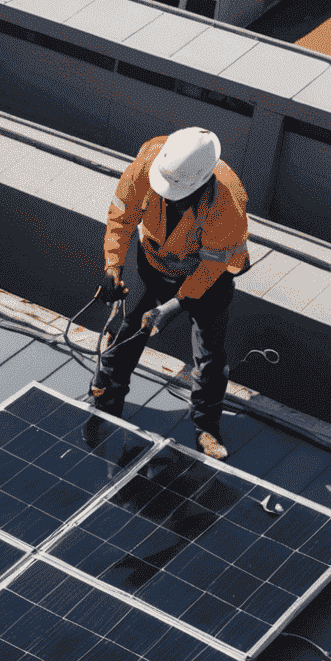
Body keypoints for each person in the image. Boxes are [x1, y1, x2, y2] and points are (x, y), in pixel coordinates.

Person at [91, 128, 251, 460]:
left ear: (202, 183)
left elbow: (213, 266)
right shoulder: (150, 164)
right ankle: (105, 401)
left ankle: (206, 427)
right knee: (127, 330)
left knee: (209, 356)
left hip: (206, 280)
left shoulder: (227, 198)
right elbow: (121, 217)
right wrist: (112, 269)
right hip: (152, 264)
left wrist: (174, 305)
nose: (168, 196)